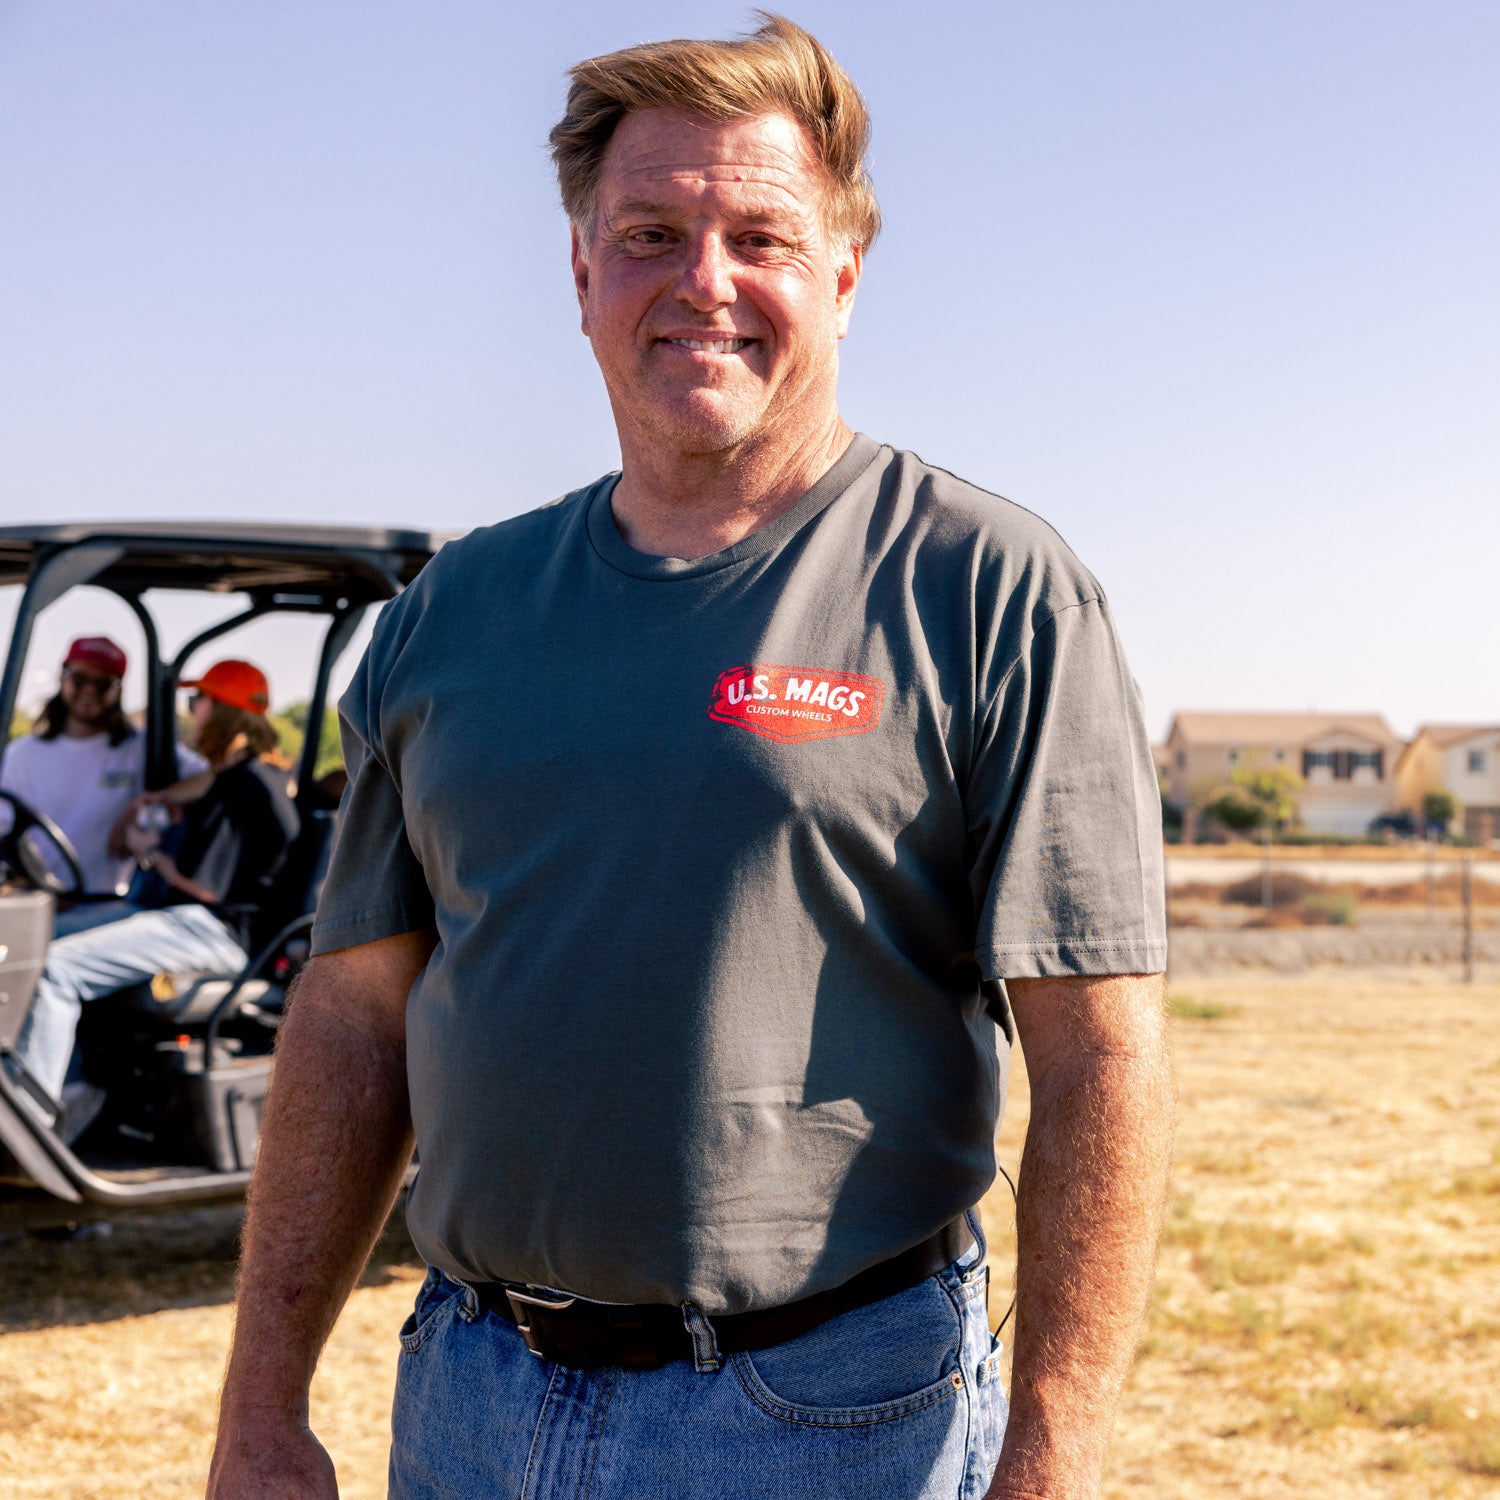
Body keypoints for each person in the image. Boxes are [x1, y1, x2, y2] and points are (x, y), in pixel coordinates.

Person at [209, 17, 1173, 1500]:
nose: (703, 281)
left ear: (843, 275)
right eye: (649, 233)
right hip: (469, 1396)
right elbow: (353, 1017)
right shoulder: (454, 612)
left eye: (761, 238)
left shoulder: (988, 589)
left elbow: (1099, 1052)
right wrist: (260, 1405)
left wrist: (1055, 1452)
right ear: (581, 272)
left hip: (827, 1416)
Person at [8, 659, 298, 1123]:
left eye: (197, 700)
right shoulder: (241, 777)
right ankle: (71, 1085)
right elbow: (203, 784)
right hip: (188, 920)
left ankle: (32, 1119)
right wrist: (153, 801)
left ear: (221, 710)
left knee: (55, 970)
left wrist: (151, 853)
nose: (191, 711)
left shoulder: (248, 788)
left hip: (216, 931)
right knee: (34, 937)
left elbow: (205, 889)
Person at [0, 635, 208, 896]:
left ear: (118, 689)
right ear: (63, 678)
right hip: (39, 897)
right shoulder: (22, 754)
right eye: (79, 680)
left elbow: (210, 778)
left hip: (113, 903)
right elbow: (5, 830)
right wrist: (30, 884)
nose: (89, 691)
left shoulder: (140, 747)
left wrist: (145, 804)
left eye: (103, 684)